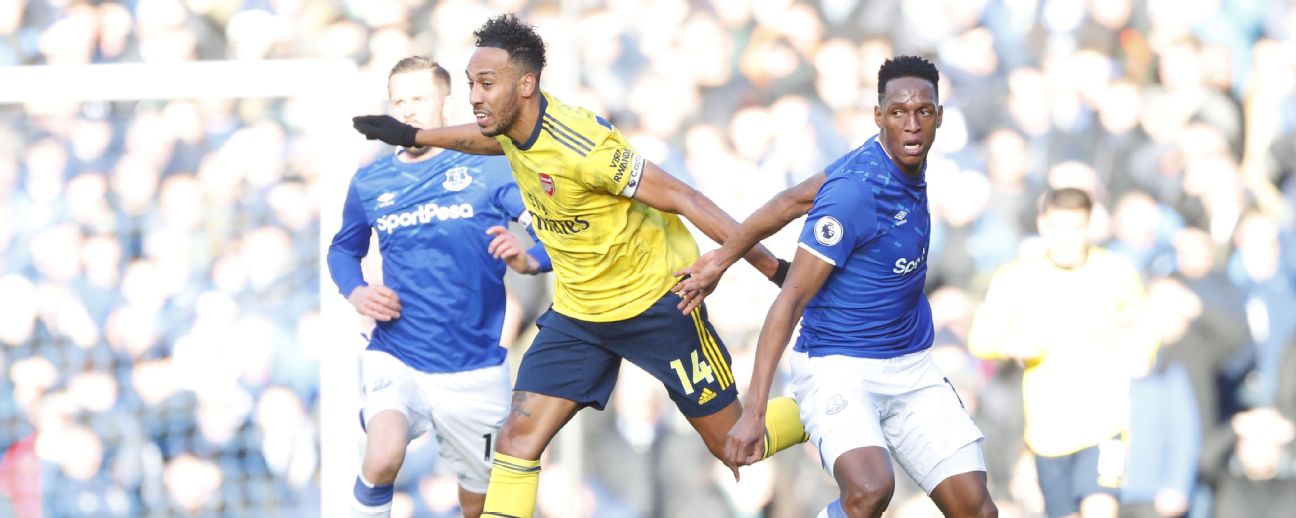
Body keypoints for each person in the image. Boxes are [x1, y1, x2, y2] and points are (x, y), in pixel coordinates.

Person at [351, 14, 808, 518]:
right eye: (470, 84)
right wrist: (415, 135)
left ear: (525, 85)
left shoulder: (583, 146)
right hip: (580, 315)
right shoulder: (508, 129)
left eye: (486, 84)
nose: (475, 97)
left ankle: (829, 402)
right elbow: (479, 139)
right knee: (516, 441)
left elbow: (686, 197)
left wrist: (772, 268)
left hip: (657, 302)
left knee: (737, 446)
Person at [675, 55, 996, 518]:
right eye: (898, 112)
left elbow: (791, 200)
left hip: (909, 364)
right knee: (870, 489)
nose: (912, 125)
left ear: (940, 116)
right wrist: (754, 411)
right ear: (878, 116)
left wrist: (725, 258)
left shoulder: (897, 163)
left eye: (923, 112)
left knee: (977, 510)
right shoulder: (854, 193)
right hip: (839, 364)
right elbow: (792, 299)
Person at [327, 56, 552, 518]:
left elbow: (557, 232)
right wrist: (357, 292)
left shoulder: (489, 167)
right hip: (398, 354)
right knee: (383, 453)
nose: (407, 110)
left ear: (447, 105)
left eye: (419, 99)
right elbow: (342, 250)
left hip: (474, 369)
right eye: (398, 101)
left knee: (478, 502)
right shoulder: (371, 180)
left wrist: (529, 260)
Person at [968, 187, 1149, 518]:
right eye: (1057, 227)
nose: (1066, 238)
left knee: (1100, 508)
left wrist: (1142, 354)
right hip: (1047, 430)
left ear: (1090, 227)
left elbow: (1143, 324)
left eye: (1075, 228)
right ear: (1042, 225)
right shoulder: (1018, 277)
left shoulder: (1116, 273)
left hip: (1105, 422)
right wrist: (1013, 346)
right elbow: (980, 339)